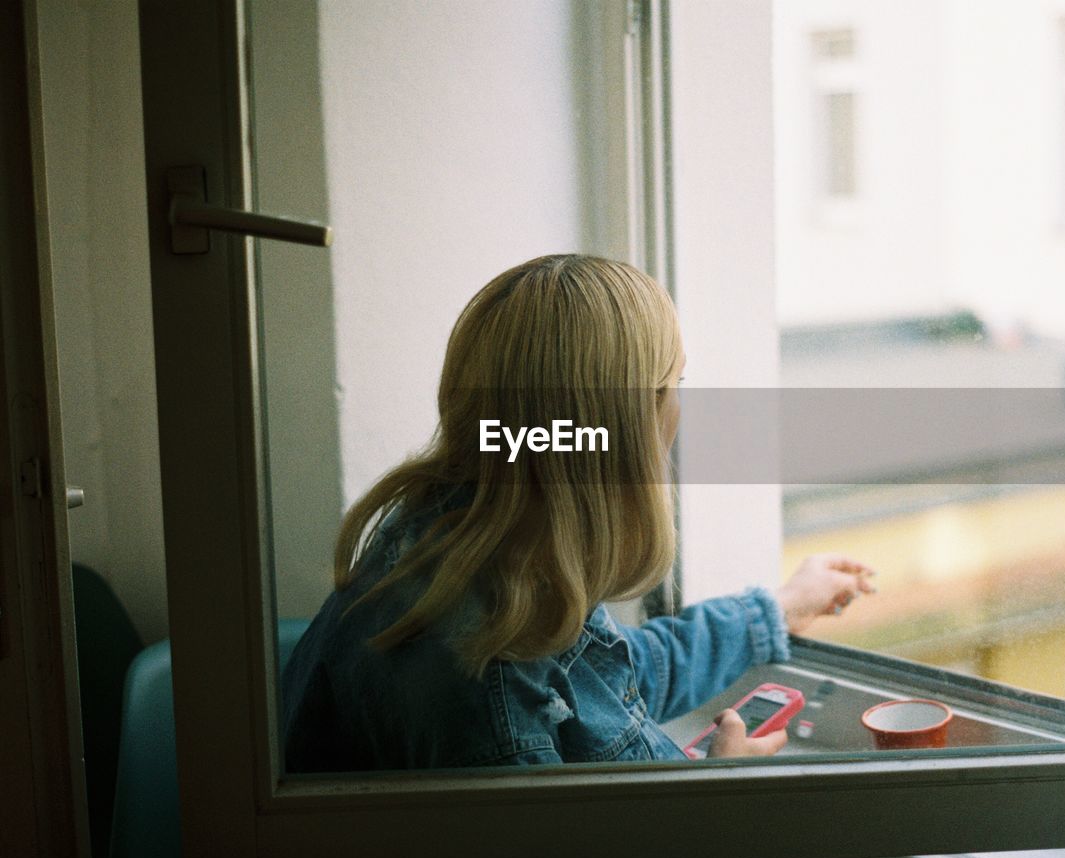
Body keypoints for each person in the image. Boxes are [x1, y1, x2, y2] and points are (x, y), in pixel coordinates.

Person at [282, 254, 874, 773]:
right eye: (675, 384)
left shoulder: (461, 547)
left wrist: (776, 610)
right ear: (626, 429)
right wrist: (713, 802)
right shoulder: (490, 706)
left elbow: (611, 679)